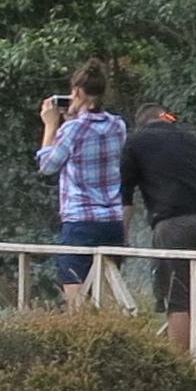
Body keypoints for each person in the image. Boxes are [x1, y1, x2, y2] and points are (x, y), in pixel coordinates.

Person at [124, 106, 196, 332]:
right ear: (164, 117)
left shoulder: (135, 142)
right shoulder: (191, 139)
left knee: (177, 300)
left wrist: (123, 237)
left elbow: (125, 195)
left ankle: (181, 366)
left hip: (173, 225)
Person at [33, 62, 129, 299]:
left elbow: (47, 166)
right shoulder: (118, 125)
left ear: (76, 91)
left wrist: (51, 126)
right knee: (105, 301)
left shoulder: (72, 130)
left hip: (80, 223)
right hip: (112, 221)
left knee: (78, 302)